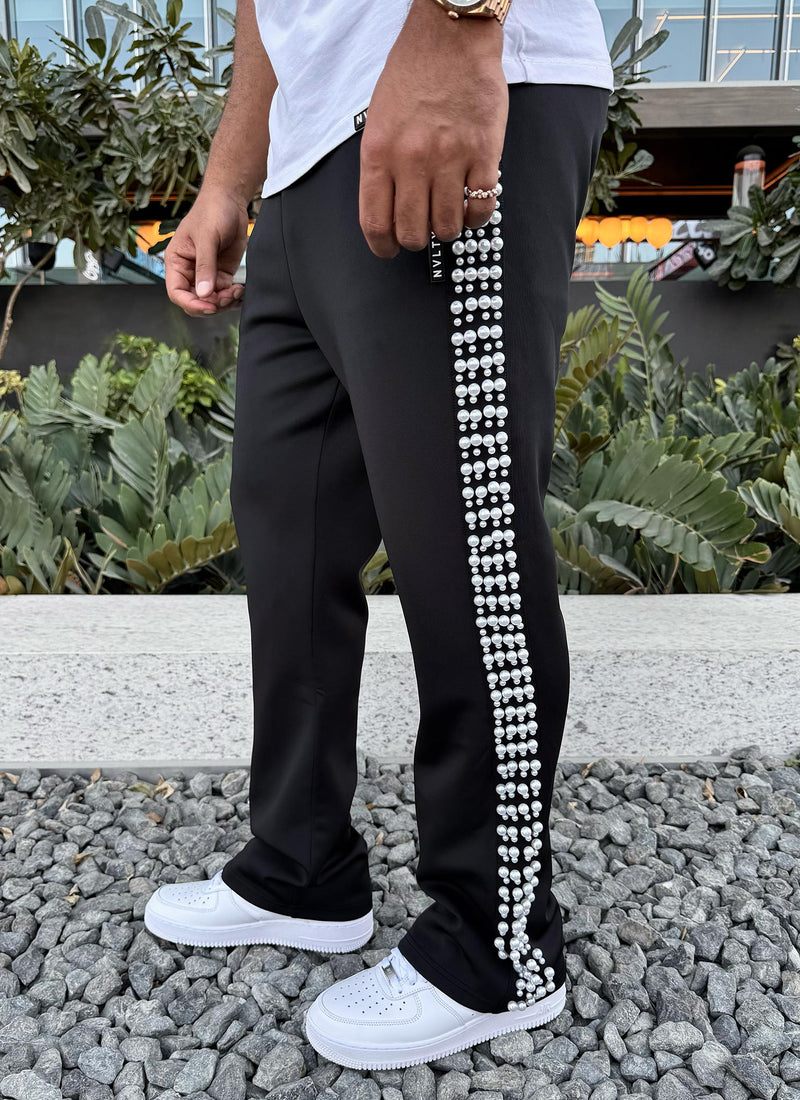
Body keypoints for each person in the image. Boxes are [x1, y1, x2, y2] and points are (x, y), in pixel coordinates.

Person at [144, 0, 614, 1070]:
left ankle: (496, 942)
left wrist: (459, 27)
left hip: (447, 80)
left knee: (461, 531)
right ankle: (301, 863)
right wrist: (228, 181)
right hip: (309, 146)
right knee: (287, 521)